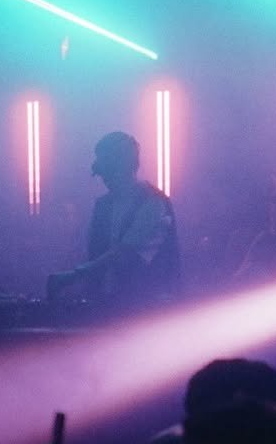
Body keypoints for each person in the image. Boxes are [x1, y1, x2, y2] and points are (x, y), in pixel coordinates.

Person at [47, 131, 179, 313]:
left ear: (126, 166)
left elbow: (124, 252)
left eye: (108, 172)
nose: (104, 179)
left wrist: (74, 276)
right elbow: (96, 252)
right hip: (106, 304)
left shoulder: (153, 203)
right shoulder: (103, 205)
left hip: (146, 309)